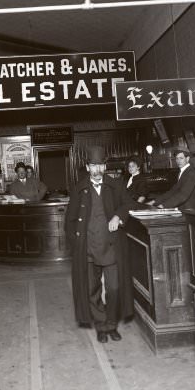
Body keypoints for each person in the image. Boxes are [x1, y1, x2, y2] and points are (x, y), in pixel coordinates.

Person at [65, 146, 136, 343]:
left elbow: (129, 204)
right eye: (93, 166)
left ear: (105, 167)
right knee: (92, 290)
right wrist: (77, 243)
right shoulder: (79, 189)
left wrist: (118, 217)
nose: (97, 170)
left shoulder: (115, 185)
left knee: (114, 288)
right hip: (87, 248)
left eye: (100, 166)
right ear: (88, 167)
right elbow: (69, 221)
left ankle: (112, 323)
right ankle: (101, 325)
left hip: (111, 247)